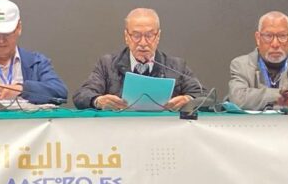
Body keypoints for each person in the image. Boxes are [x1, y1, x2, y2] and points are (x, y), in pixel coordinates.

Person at [73, 8, 203, 110]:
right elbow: (81, 95)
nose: (143, 43)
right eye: (136, 36)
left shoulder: (176, 66)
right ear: (126, 36)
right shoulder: (107, 64)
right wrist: (97, 101)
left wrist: (189, 99)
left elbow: (205, 96)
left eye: (149, 35)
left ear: (158, 36)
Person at [228, 11, 288, 110]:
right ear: (258, 38)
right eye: (268, 36)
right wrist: (287, 95)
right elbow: (238, 99)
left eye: (282, 36)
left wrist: (266, 101)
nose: (275, 44)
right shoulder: (241, 64)